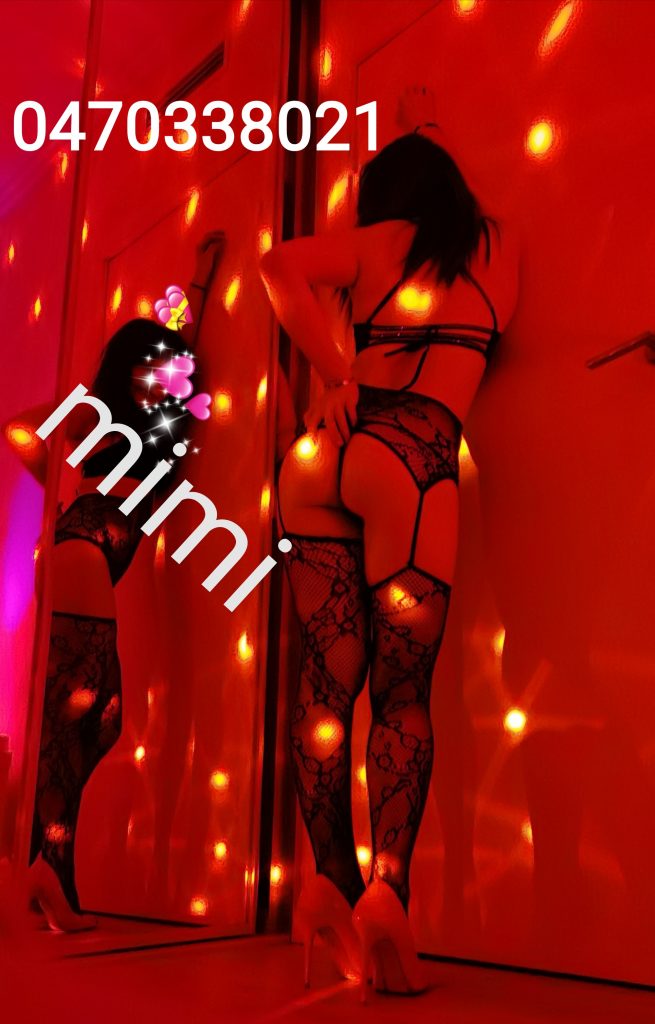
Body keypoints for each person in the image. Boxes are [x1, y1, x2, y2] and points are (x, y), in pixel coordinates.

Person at [260, 86, 519, 997]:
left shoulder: (368, 248)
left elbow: (276, 264)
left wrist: (335, 372)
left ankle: (327, 878)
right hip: (409, 456)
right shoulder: (492, 245)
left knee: (325, 684)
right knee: (401, 697)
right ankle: (386, 894)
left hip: (318, 454)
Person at [3, 232, 225, 931]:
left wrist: (198, 281)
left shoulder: (157, 424)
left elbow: (182, 345)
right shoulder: (102, 419)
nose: (162, 377)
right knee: (75, 716)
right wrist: (58, 486)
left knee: (99, 721)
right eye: (149, 367)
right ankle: (48, 870)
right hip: (83, 549)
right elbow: (20, 427)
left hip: (86, 551)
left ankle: (41, 862)